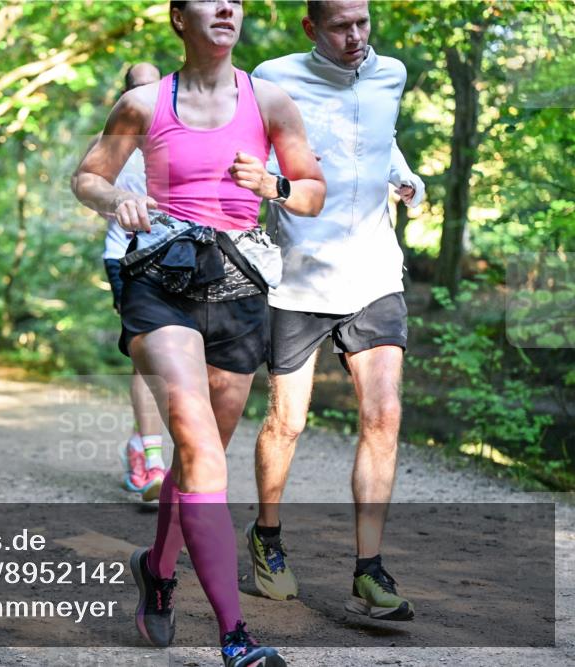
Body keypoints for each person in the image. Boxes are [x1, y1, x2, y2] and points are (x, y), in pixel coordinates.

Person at [73, 1, 324, 665]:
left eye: (235, 1)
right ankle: (235, 636)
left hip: (242, 291)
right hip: (162, 284)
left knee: (193, 464)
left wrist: (273, 183)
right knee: (203, 452)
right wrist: (115, 199)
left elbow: (313, 191)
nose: (226, 9)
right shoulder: (145, 102)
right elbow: (88, 176)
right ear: (179, 18)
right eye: (209, 0)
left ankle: (156, 569)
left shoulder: (271, 102)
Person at [245, 0, 426, 622]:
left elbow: (382, 140)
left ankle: (369, 571)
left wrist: (408, 180)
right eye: (341, 27)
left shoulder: (391, 74)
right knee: (286, 424)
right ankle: (266, 536)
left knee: (385, 414)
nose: (356, 38)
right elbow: (258, 164)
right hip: (298, 279)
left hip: (375, 272)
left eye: (363, 24)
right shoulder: (273, 77)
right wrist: (275, 187)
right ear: (311, 29)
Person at [101, 63, 167, 502]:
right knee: (147, 360)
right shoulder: (114, 144)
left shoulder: (183, 134)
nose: (149, 96)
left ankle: (139, 442)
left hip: (180, 260)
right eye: (140, 89)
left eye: (155, 88)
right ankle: (153, 460)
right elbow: (91, 191)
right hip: (125, 258)